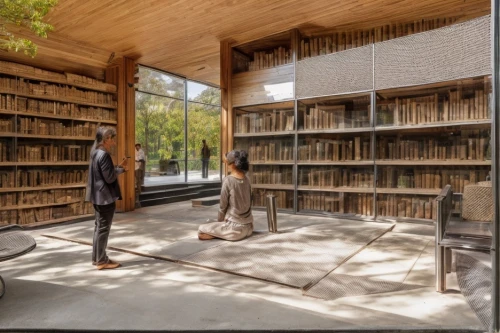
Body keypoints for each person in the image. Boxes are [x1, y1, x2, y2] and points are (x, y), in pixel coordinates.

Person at [85, 127, 128, 270]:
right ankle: (102, 261)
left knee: (98, 228)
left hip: (97, 197)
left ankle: (97, 258)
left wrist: (117, 167)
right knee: (103, 229)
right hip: (105, 198)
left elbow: (104, 173)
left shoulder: (95, 153)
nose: (114, 142)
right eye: (112, 139)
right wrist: (121, 170)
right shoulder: (103, 155)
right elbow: (109, 178)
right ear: (106, 139)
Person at [198, 150, 253, 241]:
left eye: (227, 163)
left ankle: (221, 234)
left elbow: (222, 206)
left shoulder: (228, 180)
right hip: (249, 227)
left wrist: (220, 222)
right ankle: (221, 234)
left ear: (233, 165)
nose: (227, 165)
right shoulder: (247, 179)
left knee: (201, 229)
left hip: (234, 229)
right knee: (210, 224)